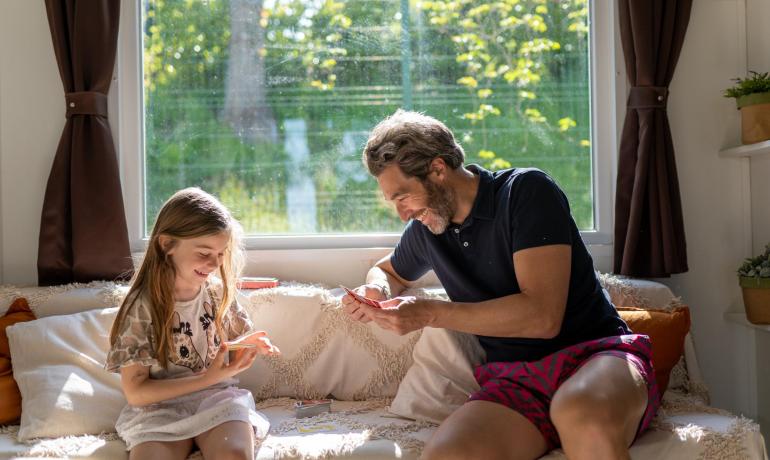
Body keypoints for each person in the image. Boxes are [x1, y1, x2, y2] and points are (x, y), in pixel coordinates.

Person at [342, 110, 660, 460]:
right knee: (445, 455)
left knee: (579, 415)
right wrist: (377, 291)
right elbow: (388, 271)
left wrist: (431, 314)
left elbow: (542, 318)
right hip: (518, 380)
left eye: (403, 197)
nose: (402, 214)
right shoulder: (426, 229)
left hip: (596, 355)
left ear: (437, 169)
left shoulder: (525, 192)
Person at [106, 187, 279, 460]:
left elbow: (231, 344)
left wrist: (247, 345)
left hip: (217, 401)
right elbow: (136, 392)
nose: (214, 263)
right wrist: (207, 377)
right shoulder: (142, 306)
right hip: (158, 411)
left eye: (221, 253)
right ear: (166, 245)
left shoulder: (217, 293)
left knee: (235, 455)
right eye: (204, 253)